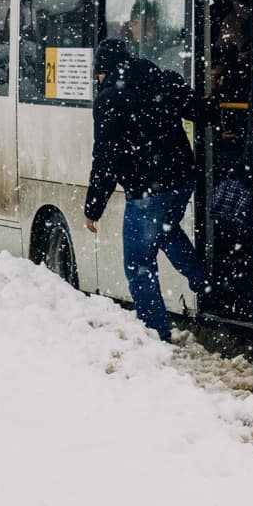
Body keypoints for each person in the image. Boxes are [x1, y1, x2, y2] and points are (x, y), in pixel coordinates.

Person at [84, 37, 212, 343]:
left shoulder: (109, 99)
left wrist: (93, 208)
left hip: (148, 190)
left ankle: (156, 335)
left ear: (104, 70)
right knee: (166, 230)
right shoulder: (161, 79)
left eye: (97, 74)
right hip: (182, 180)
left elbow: (105, 159)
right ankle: (204, 280)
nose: (97, 80)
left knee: (139, 265)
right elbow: (200, 110)